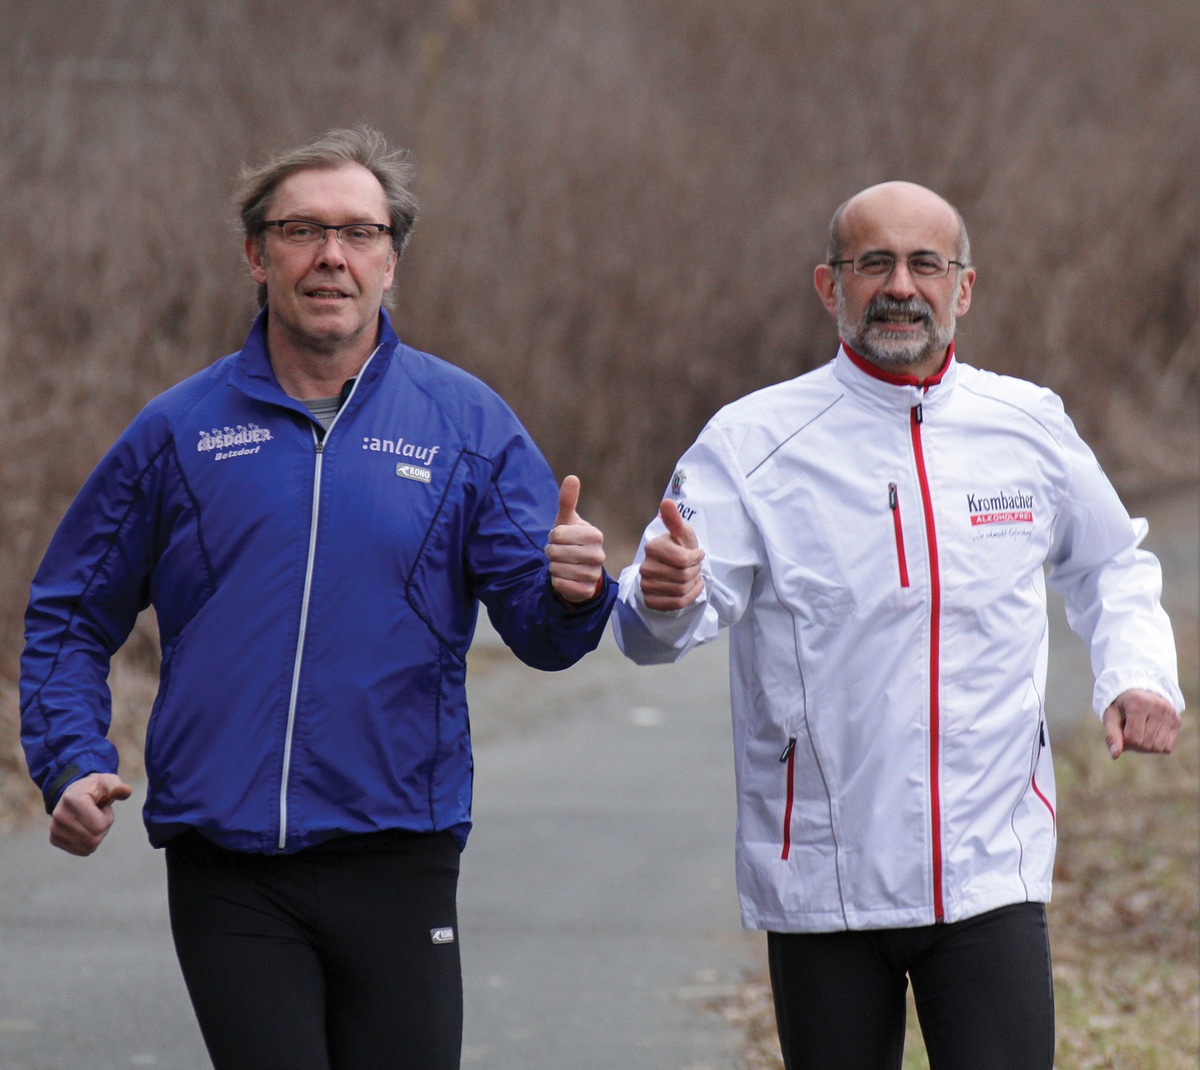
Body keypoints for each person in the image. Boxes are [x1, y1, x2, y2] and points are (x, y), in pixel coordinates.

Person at [20, 126, 614, 1070]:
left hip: (399, 848)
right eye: (302, 230)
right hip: (228, 865)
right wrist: (69, 760)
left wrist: (576, 591)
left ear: (392, 264)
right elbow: (68, 612)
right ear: (257, 255)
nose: (331, 255)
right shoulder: (178, 431)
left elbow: (542, 634)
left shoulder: (467, 426)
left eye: (359, 234)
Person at [613, 181, 1183, 1070]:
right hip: (824, 883)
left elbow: (1111, 563)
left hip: (991, 875)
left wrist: (1136, 674)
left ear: (965, 288)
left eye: (926, 262)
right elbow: (653, 631)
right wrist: (661, 595)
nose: (900, 285)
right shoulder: (752, 441)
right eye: (872, 261)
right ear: (827, 285)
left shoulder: (1027, 424)